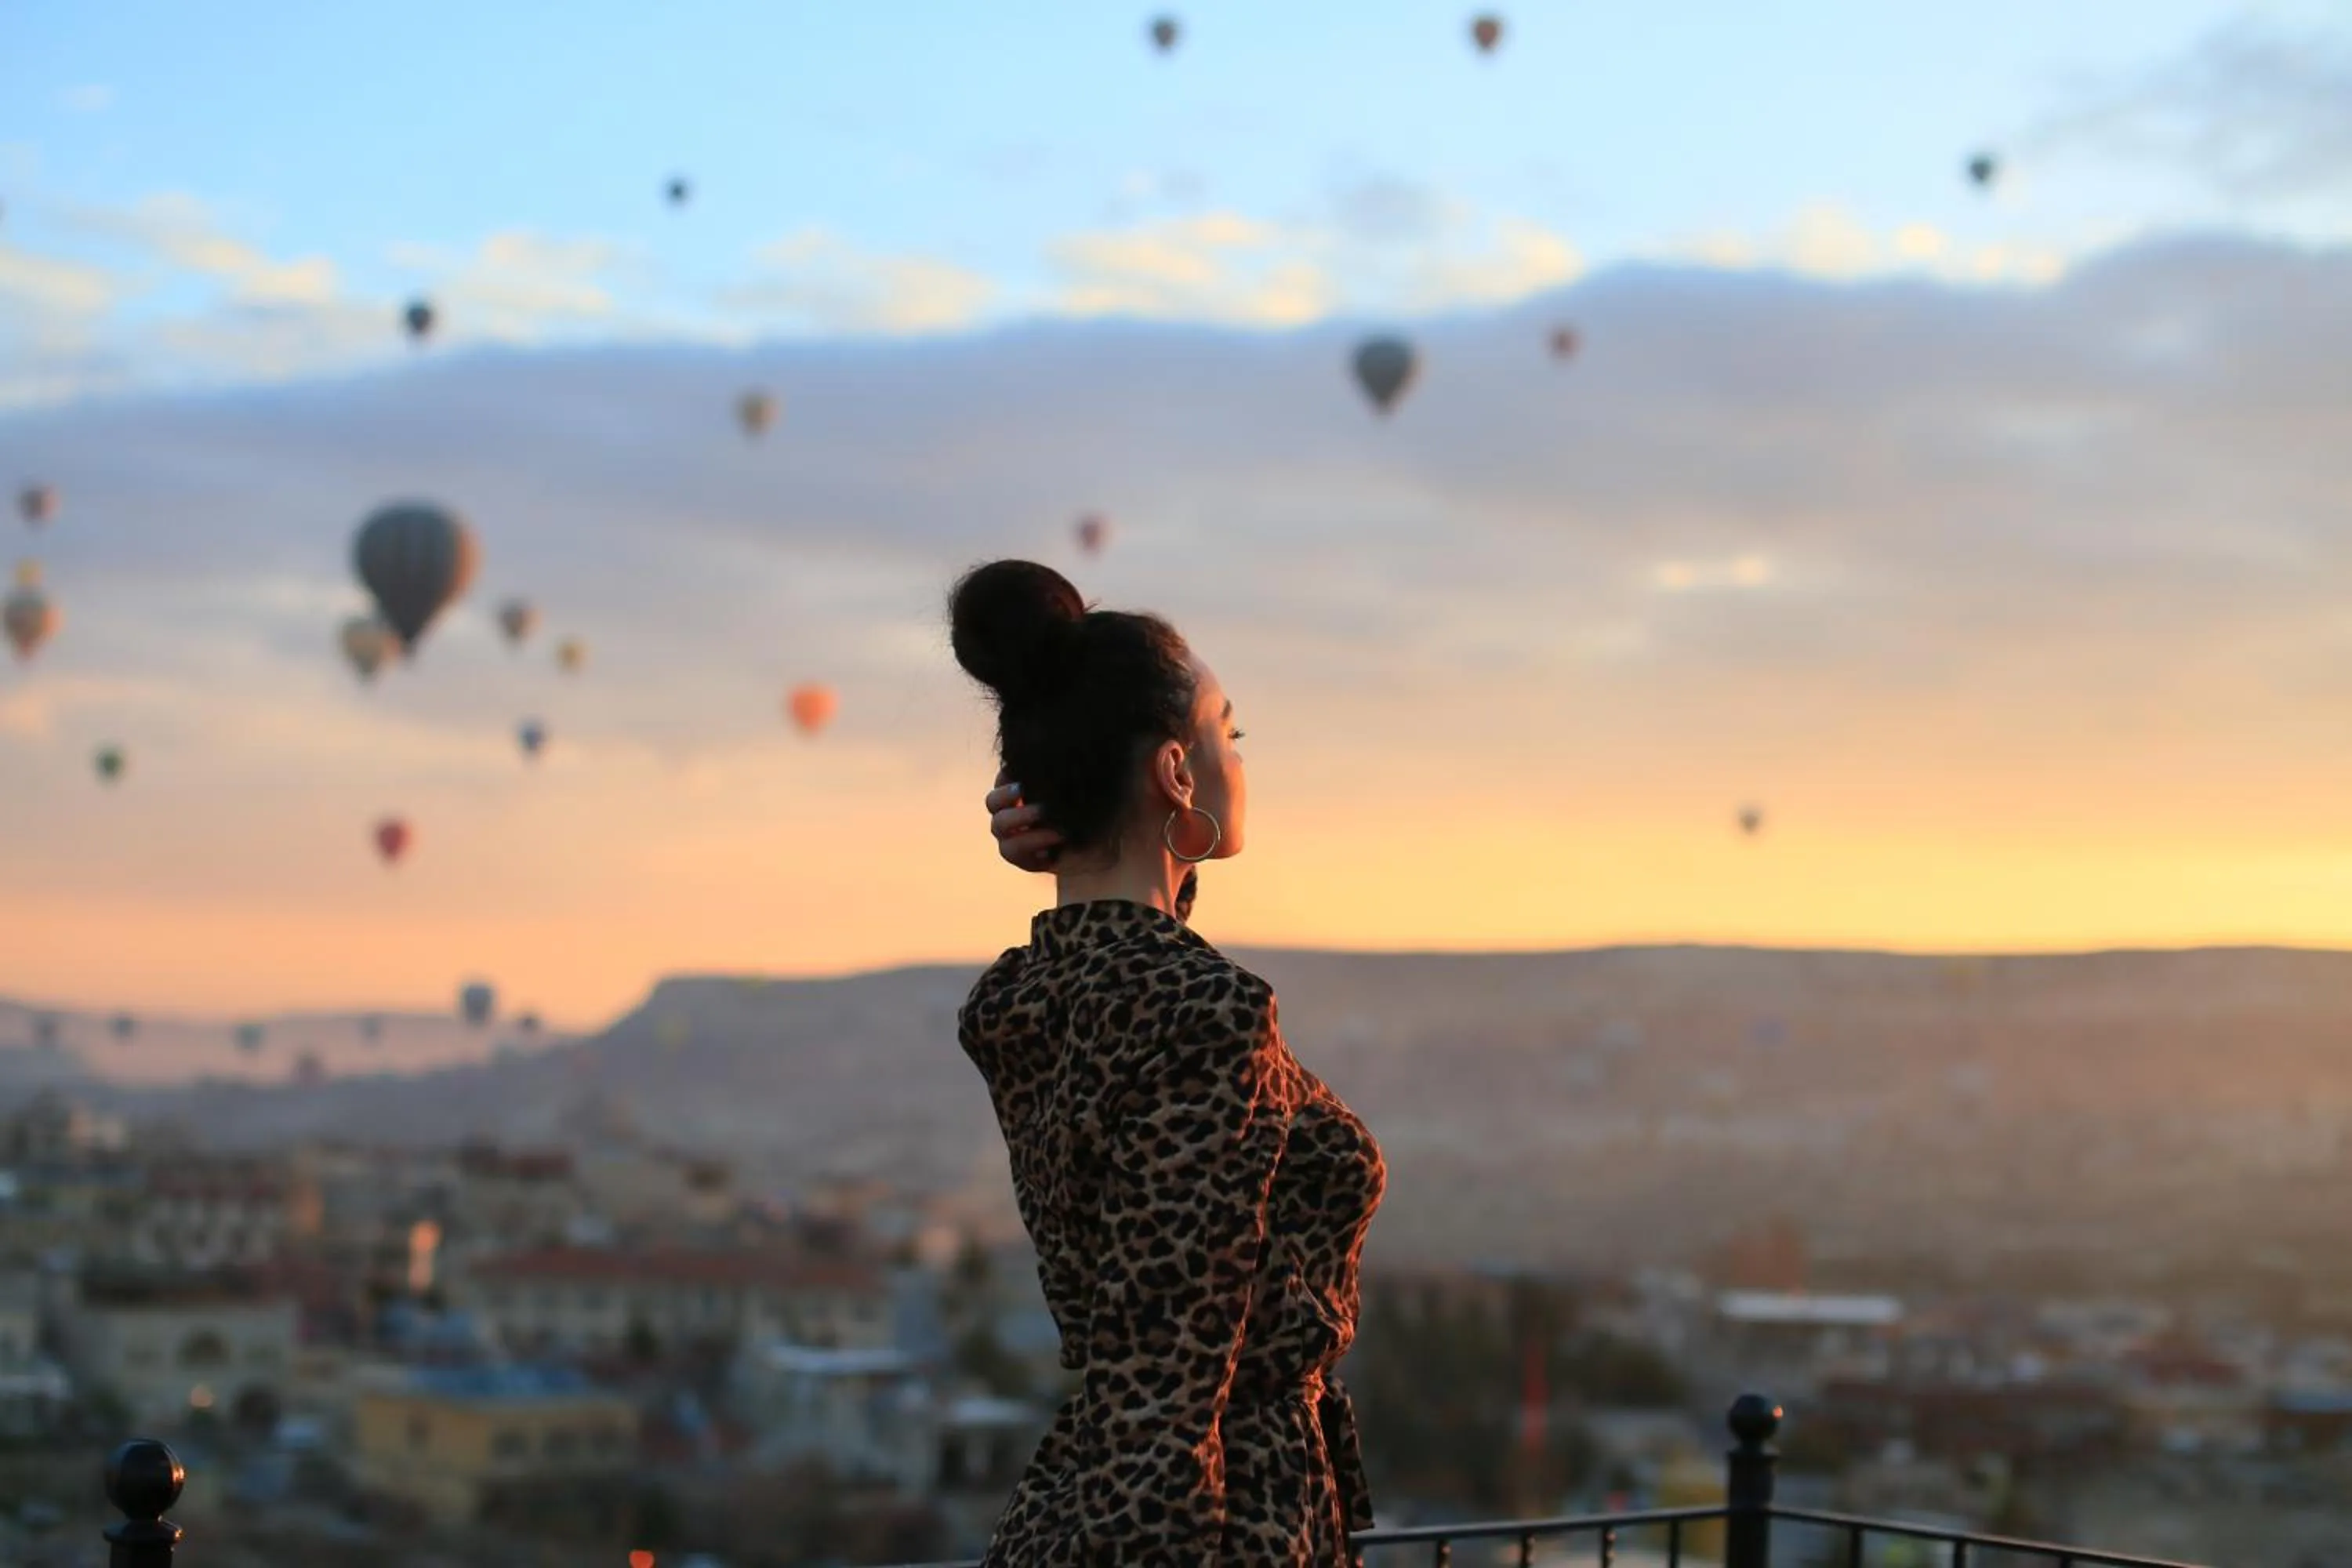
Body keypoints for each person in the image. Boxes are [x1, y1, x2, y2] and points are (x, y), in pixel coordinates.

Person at [951, 559, 1387, 1567]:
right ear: (1174, 771)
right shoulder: (1204, 1015)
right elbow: (1169, 1370)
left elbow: (1133, 961)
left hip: (1095, 1494)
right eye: (1227, 731)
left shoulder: (1038, 995)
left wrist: (1093, 867)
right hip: (1220, 1516)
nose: (1241, 754)